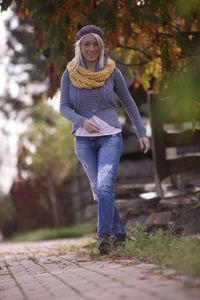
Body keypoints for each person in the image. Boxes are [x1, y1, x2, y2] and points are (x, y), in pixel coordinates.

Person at [59, 25, 150, 255]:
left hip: (110, 136)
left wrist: (141, 132)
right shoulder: (69, 74)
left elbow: (129, 103)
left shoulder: (111, 71)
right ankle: (119, 234)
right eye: (86, 44)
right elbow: (63, 107)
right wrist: (81, 120)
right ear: (79, 47)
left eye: (95, 44)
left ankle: (104, 236)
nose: (91, 48)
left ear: (101, 46)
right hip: (83, 141)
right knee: (99, 190)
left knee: (105, 185)